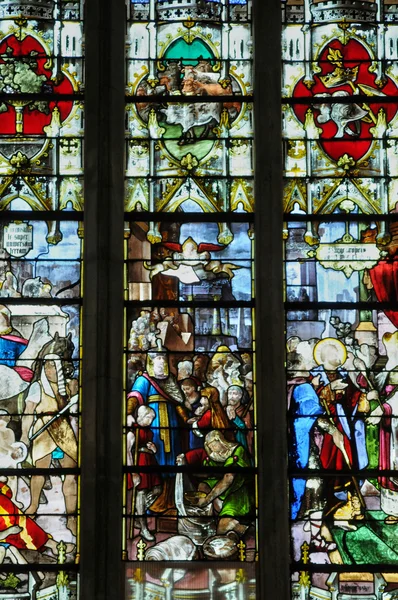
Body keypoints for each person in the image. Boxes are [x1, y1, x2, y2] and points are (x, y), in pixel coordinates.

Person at [21, 353, 78, 536]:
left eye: (52, 366)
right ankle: (33, 506)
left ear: (59, 369)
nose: (48, 370)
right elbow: (29, 411)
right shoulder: (37, 387)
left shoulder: (68, 387)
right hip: (43, 430)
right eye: (46, 366)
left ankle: (71, 517)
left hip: (63, 429)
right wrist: (24, 435)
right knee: (39, 472)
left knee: (71, 474)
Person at [177, 430, 254, 537]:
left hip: (237, 491)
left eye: (213, 445)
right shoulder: (213, 455)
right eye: (209, 446)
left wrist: (207, 499)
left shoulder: (237, 450)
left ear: (220, 440)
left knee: (223, 528)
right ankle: (208, 525)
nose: (211, 448)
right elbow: (208, 474)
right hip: (219, 487)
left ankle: (238, 526)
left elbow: (229, 477)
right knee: (203, 486)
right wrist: (184, 465)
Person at [127, 406, 162, 542]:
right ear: (141, 416)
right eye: (149, 417)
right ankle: (143, 528)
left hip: (149, 462)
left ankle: (137, 513)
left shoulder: (149, 432)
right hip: (139, 464)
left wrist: (154, 449)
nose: (151, 421)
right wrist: (133, 472)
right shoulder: (132, 431)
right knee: (141, 494)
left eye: (152, 418)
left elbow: (149, 447)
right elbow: (127, 452)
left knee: (158, 489)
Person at [225, 385, 253, 455]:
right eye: (230, 393)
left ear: (240, 396)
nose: (231, 396)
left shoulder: (245, 412)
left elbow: (247, 431)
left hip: (240, 443)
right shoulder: (223, 410)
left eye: (234, 394)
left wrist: (235, 419)